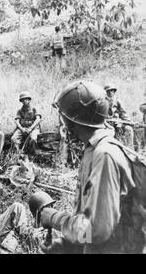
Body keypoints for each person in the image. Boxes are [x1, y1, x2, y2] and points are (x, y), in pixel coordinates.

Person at [32, 80, 145, 253]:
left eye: (63, 115)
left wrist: (53, 218)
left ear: (73, 118)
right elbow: (93, 228)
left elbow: (97, 231)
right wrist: (66, 246)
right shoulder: (92, 149)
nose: (62, 119)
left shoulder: (104, 155)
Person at [104, 83, 134, 148]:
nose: (110, 92)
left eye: (112, 91)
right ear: (106, 92)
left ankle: (130, 150)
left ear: (114, 92)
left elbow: (123, 113)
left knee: (129, 129)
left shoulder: (117, 101)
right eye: (108, 91)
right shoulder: (102, 102)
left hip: (116, 124)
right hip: (105, 124)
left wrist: (128, 122)